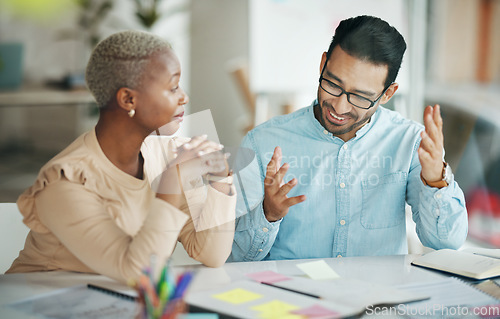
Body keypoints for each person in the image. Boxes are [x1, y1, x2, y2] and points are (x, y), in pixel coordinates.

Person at [228, 15, 467, 262]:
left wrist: (435, 179)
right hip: (291, 297)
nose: (340, 107)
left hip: (376, 298)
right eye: (333, 84)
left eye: (361, 97)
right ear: (323, 65)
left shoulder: (409, 143)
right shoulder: (263, 143)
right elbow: (233, 259)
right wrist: (268, 214)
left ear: (387, 94)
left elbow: (445, 242)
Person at [7, 30, 236, 283]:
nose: (184, 97)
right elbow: (137, 272)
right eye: (172, 87)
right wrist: (171, 180)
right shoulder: (66, 180)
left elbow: (212, 255)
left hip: (114, 304)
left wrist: (219, 180)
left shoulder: (167, 156)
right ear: (128, 99)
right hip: (38, 304)